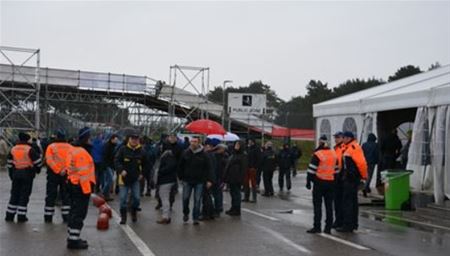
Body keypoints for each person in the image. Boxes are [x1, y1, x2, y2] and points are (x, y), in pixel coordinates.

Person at [66, 127, 96, 249]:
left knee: (73, 212)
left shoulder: (73, 149)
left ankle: (72, 237)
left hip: (73, 184)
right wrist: (87, 190)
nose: (91, 140)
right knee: (79, 213)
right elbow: (83, 174)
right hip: (81, 187)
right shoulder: (82, 153)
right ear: (86, 138)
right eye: (90, 137)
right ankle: (73, 241)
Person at [5, 132, 42, 223]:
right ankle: (21, 216)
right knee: (24, 195)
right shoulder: (30, 149)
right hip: (27, 174)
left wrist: (11, 175)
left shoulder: (13, 149)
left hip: (16, 174)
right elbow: (38, 162)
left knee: (14, 194)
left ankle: (9, 215)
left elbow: (9, 163)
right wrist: (37, 170)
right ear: (26, 139)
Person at [115, 130, 149, 224]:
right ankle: (123, 217)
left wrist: (142, 174)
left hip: (135, 179)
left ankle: (133, 211)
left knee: (137, 198)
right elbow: (117, 161)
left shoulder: (142, 151)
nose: (134, 141)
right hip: (124, 178)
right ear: (129, 139)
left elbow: (146, 164)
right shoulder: (123, 149)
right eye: (132, 139)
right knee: (123, 198)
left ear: (138, 140)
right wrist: (121, 170)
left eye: (136, 139)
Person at [336, 131, 368, 233]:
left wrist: (363, 176)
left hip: (351, 178)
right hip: (349, 178)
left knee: (348, 202)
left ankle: (348, 225)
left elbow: (362, 163)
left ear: (349, 138)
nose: (343, 139)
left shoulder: (354, 148)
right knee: (351, 202)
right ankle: (352, 224)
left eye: (344, 137)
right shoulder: (348, 147)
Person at [178, 136, 214, 225]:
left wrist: (209, 180)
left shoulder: (204, 154)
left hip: (199, 181)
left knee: (197, 200)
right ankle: (186, 213)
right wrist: (181, 177)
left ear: (199, 143)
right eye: (192, 141)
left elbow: (209, 168)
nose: (193, 143)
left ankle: (195, 217)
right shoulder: (185, 153)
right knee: (185, 198)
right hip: (187, 180)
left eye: (195, 141)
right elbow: (180, 166)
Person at [306, 135, 338, 234]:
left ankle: (317, 227)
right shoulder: (333, 154)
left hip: (319, 182)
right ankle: (328, 228)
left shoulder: (318, 154)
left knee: (317, 206)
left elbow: (311, 170)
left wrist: (308, 182)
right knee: (329, 206)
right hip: (331, 183)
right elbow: (336, 170)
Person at [44, 129, 72, 223]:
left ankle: (48, 217)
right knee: (66, 196)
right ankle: (66, 216)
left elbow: (49, 160)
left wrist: (57, 170)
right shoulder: (70, 147)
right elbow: (72, 161)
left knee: (51, 195)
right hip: (66, 174)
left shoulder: (51, 146)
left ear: (57, 137)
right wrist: (65, 170)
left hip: (53, 174)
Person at [156, 142, 178, 224]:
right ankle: (166, 216)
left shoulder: (167, 156)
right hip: (170, 179)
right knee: (166, 198)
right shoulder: (171, 155)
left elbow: (169, 167)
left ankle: (165, 217)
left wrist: (160, 171)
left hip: (165, 180)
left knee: (164, 198)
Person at [223, 140, 247, 216]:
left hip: (237, 178)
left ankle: (236, 209)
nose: (236, 146)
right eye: (236, 144)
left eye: (238, 145)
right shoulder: (233, 154)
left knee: (236, 194)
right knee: (233, 193)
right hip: (231, 177)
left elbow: (243, 168)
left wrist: (240, 179)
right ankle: (233, 208)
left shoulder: (243, 155)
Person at [332, 131, 346, 229]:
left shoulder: (343, 148)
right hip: (335, 177)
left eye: (338, 137)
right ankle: (338, 220)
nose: (336, 139)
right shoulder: (335, 148)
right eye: (335, 137)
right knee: (336, 201)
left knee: (341, 202)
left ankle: (340, 221)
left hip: (341, 178)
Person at [212, 143, 229, 216]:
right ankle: (219, 207)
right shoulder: (218, 156)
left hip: (219, 177)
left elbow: (223, 168)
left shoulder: (222, 157)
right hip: (218, 177)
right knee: (218, 193)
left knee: (217, 193)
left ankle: (218, 209)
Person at [102, 134, 119, 201]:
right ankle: (104, 192)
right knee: (110, 180)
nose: (116, 141)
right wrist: (105, 165)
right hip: (107, 165)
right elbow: (105, 156)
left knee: (108, 180)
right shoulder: (107, 146)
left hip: (111, 165)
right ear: (112, 139)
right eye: (115, 140)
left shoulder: (114, 146)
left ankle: (106, 195)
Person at [243, 138, 260, 203]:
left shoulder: (256, 149)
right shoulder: (247, 148)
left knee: (253, 183)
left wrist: (255, 167)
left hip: (252, 168)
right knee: (245, 182)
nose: (249, 142)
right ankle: (246, 197)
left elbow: (258, 158)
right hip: (247, 167)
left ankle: (254, 198)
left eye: (250, 141)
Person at [362, 133, 379, 197]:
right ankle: (365, 188)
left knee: (366, 175)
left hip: (364, 162)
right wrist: (377, 161)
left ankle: (367, 187)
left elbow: (361, 153)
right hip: (372, 162)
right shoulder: (376, 145)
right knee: (369, 176)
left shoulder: (364, 144)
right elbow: (377, 154)